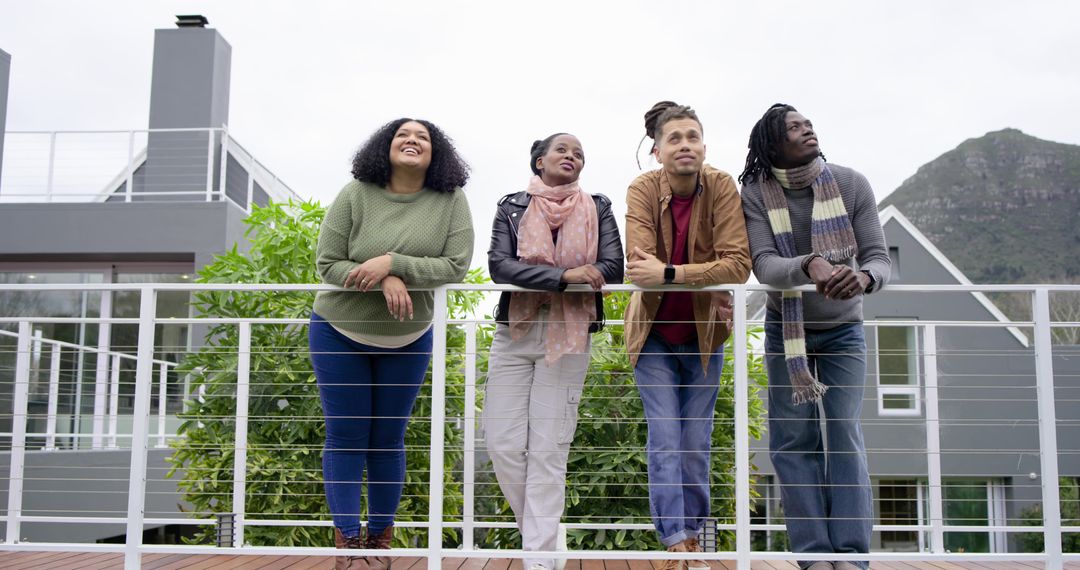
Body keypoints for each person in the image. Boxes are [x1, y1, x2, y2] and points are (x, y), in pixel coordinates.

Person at [309, 118, 474, 570]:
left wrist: (393, 263)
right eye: (403, 134)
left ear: (436, 152)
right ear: (386, 146)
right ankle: (348, 544)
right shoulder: (355, 193)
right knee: (346, 436)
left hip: (408, 336)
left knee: (387, 440)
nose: (412, 140)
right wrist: (382, 278)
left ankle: (380, 540)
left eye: (423, 136)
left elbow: (456, 265)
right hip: (339, 328)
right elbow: (328, 262)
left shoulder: (450, 200)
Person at [739, 103, 890, 570]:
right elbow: (764, 265)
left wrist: (864, 277)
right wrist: (809, 264)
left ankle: (851, 555)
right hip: (786, 332)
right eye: (794, 127)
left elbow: (879, 258)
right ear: (772, 144)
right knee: (793, 441)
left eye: (808, 124)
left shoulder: (851, 183)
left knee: (844, 434)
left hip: (844, 330)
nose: (807, 130)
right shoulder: (755, 192)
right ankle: (813, 555)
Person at [484, 133, 624, 570]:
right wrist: (565, 277)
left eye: (579, 153)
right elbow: (499, 266)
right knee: (501, 443)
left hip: (571, 333)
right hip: (516, 330)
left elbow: (613, 267)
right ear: (539, 161)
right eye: (562, 149)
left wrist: (574, 275)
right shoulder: (512, 206)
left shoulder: (598, 206)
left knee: (549, 449)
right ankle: (543, 534)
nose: (572, 156)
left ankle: (539, 557)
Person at [624, 102, 751, 570]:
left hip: (705, 335)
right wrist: (702, 275)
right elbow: (639, 268)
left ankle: (697, 539)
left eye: (692, 137)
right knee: (665, 436)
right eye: (674, 138)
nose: (685, 145)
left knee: (696, 441)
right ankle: (675, 540)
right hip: (653, 334)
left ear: (704, 146)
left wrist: (671, 272)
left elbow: (738, 265)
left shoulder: (721, 186)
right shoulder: (642, 188)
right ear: (657, 151)